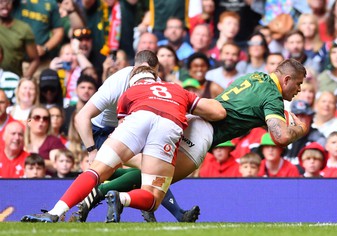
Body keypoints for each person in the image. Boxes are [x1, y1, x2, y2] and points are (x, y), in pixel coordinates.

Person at [21, 58, 309, 223]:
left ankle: (66, 207)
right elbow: (280, 136)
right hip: (201, 130)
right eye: (298, 83)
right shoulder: (272, 95)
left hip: (155, 120)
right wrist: (300, 130)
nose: (299, 90)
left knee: (109, 165)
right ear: (285, 79)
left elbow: (123, 116)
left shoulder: (257, 76)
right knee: (158, 185)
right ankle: (115, 196)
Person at [21, 64, 226, 223]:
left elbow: (125, 124)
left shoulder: (128, 92)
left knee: (95, 171)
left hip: (137, 120)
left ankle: (55, 212)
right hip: (168, 126)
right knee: (152, 196)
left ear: (134, 82)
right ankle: (123, 199)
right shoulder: (176, 88)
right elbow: (218, 112)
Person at [0, 0, 39, 78]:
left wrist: (23, 80)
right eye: (1, 2)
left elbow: (35, 60)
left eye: (8, 2)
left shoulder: (23, 29)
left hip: (13, 79)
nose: (4, 5)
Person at [283, 100, 326, 166]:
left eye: (303, 116)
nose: (299, 120)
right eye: (296, 116)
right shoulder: (283, 137)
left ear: (310, 118)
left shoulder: (318, 140)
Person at [24, 105, 65, 173]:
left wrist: (32, 162)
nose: (41, 121)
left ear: (48, 123)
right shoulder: (19, 138)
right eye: (37, 117)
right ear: (29, 121)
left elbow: (62, 166)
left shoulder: (54, 141)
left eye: (45, 118)